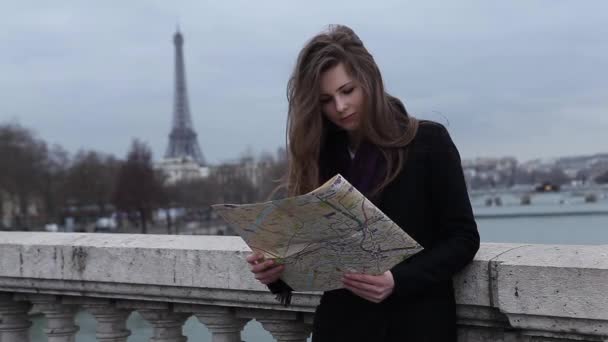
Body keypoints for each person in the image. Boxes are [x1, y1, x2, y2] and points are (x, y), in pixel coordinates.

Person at [246, 24, 479, 342]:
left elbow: (463, 238)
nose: (339, 107)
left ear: (370, 80)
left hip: (415, 325)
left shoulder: (428, 141)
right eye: (326, 100)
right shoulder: (320, 156)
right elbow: (314, 256)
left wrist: (396, 280)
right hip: (341, 328)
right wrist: (276, 273)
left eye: (347, 90)